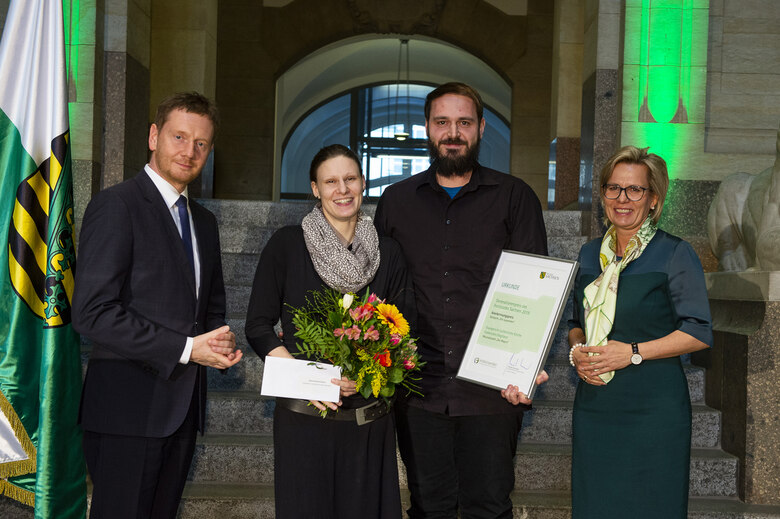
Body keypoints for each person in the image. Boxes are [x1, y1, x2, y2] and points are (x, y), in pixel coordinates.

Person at [374, 82, 549, 519]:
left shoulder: (515, 198)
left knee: (488, 507)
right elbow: (378, 292)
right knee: (428, 507)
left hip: (493, 389)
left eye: (464, 122)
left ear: (481, 128)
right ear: (428, 129)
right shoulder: (396, 202)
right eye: (442, 122)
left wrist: (526, 365)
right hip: (418, 387)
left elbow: (536, 291)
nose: (453, 132)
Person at [73, 92, 242, 519]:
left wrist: (218, 341)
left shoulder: (203, 221)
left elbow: (210, 305)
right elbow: (92, 311)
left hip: (181, 412)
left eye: (201, 143)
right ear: (153, 136)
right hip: (127, 413)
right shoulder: (118, 205)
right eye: (179, 137)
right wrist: (188, 348)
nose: (189, 151)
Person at [245, 144, 414, 519]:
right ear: (315, 189)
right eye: (331, 181)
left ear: (363, 184)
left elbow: (405, 331)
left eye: (350, 179)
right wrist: (307, 380)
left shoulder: (389, 252)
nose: (342, 189)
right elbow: (257, 326)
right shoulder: (287, 245)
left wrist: (369, 375)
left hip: (370, 422)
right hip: (305, 421)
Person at [568, 146, 713, 518]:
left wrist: (632, 352)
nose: (622, 199)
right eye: (613, 188)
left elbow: (698, 331)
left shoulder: (674, 254)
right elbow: (575, 323)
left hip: (654, 409)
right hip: (596, 406)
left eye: (635, 190)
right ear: (602, 195)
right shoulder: (588, 256)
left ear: (653, 200)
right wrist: (578, 351)